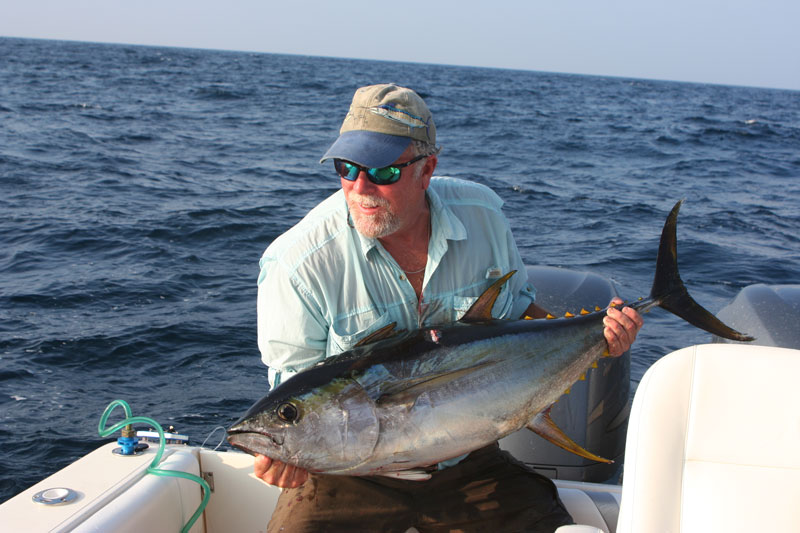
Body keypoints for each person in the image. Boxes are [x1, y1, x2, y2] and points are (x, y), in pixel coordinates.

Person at [254, 83, 643, 532]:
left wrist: (600, 338)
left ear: (427, 169)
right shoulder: (298, 264)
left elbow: (519, 315)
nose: (360, 187)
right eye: (347, 168)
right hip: (348, 475)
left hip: (467, 460)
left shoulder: (482, 216)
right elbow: (298, 390)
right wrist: (288, 453)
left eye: (382, 172)